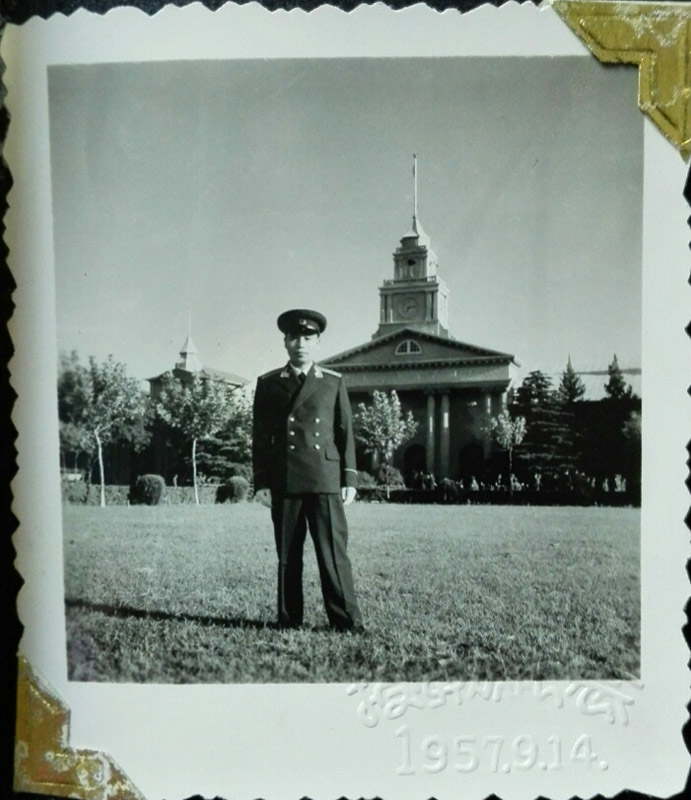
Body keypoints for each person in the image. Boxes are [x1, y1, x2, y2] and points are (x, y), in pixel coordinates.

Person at [252, 309, 364, 633]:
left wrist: (350, 477)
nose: (300, 343)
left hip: (324, 479)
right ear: (285, 342)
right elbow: (259, 438)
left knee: (333, 554)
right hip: (284, 479)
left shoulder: (332, 382)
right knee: (288, 556)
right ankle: (289, 619)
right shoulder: (268, 383)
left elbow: (345, 433)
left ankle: (346, 621)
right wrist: (261, 481)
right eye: (294, 337)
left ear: (317, 342)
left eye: (307, 338)